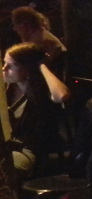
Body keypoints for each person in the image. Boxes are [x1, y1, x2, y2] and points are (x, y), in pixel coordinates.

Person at [3, 42, 64, 177]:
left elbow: (61, 95)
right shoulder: (8, 88)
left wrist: (41, 66)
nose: (4, 68)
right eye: (4, 63)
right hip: (6, 146)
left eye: (11, 65)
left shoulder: (40, 92)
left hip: (26, 151)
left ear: (28, 68)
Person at [10, 6, 70, 103]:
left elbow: (30, 70)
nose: (15, 29)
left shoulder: (39, 41)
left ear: (25, 25)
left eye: (16, 25)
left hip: (49, 94)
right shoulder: (40, 35)